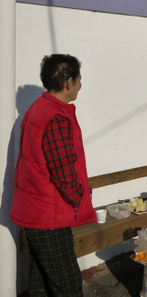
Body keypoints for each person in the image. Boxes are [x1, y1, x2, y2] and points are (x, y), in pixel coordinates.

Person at [11, 54, 96, 297]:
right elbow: (63, 171)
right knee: (67, 284)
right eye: (79, 79)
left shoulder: (37, 108)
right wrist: (79, 198)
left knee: (40, 280)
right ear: (69, 82)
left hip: (34, 209)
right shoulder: (56, 116)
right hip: (49, 214)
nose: (81, 83)